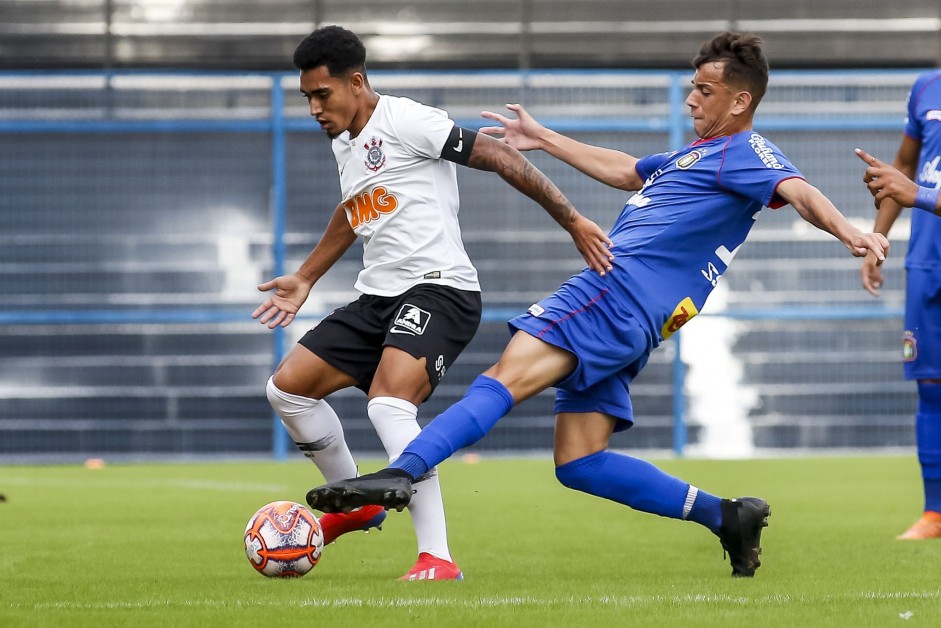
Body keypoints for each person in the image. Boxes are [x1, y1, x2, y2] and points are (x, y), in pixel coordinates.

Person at [305, 31, 891, 578]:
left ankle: (400, 474)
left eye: (704, 91)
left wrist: (850, 232)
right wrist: (545, 138)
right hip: (639, 317)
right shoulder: (695, 157)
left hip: (613, 291)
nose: (691, 100)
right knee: (580, 461)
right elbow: (625, 170)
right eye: (692, 87)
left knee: (503, 377)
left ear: (740, 102)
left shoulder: (744, 152)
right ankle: (727, 516)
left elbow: (799, 191)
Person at [252, 25, 613, 581]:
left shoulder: (408, 120)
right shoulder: (345, 140)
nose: (314, 108)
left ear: (356, 81)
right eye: (307, 97)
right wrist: (305, 276)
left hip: (440, 290)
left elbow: (496, 155)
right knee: (287, 389)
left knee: (388, 404)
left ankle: (437, 557)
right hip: (378, 296)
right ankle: (360, 501)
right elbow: (354, 210)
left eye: (322, 95)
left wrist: (573, 220)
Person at [856, 68, 941, 540]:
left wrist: (920, 195)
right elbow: (904, 168)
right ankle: (935, 514)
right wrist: (877, 238)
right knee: (931, 386)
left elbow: (914, 187)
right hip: (930, 261)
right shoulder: (927, 87)